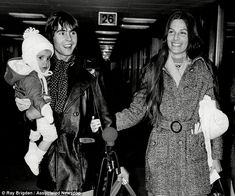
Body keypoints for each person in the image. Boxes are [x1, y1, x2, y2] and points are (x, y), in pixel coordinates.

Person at [91, 10, 226, 196]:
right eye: (171, 32)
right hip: (161, 149)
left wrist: (217, 157)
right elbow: (136, 110)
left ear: (191, 37)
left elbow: (214, 115)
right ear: (166, 35)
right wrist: (108, 122)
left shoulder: (202, 69)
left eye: (182, 32)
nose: (176, 38)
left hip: (194, 150)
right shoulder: (154, 69)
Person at [15, 11, 128, 193]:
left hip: (81, 164)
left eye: (72, 32)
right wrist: (28, 114)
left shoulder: (92, 70)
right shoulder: (36, 70)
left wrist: (116, 161)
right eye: (62, 33)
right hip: (50, 161)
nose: (69, 39)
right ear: (51, 37)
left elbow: (107, 120)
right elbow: (20, 120)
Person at [4, 27, 57, 176]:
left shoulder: (37, 74)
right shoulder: (31, 78)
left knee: (36, 135)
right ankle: (34, 157)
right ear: (29, 56)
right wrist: (45, 109)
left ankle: (32, 146)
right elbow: (36, 96)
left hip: (34, 113)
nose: (45, 62)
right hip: (38, 110)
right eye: (40, 58)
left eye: (48, 58)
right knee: (51, 136)